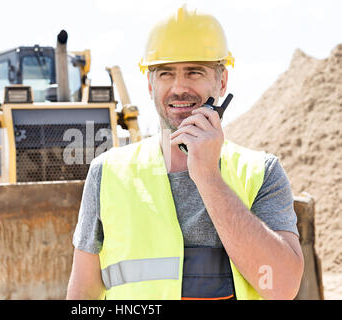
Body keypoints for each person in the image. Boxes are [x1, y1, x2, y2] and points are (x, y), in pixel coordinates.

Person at [66, 6, 304, 300]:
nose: (179, 88)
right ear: (150, 83)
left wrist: (208, 177)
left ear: (222, 82)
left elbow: (282, 288)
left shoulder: (260, 173)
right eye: (166, 73)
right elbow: (83, 296)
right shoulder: (108, 174)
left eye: (195, 71)